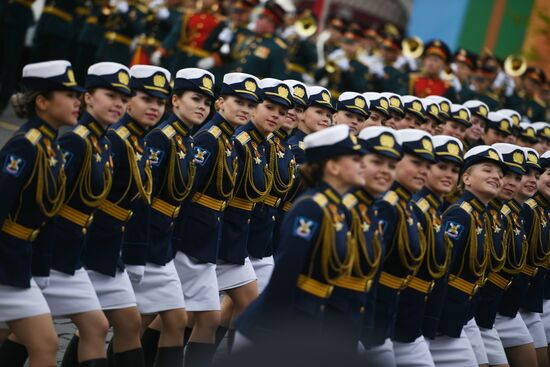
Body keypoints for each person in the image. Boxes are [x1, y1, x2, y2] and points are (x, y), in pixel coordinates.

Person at [234, 124, 367, 349]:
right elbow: (286, 274)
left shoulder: (337, 208)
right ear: (332, 166)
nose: (362, 165)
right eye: (354, 159)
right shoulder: (311, 209)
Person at [0, 60, 77, 367]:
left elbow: (47, 216)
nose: (77, 102)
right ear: (42, 102)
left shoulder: (50, 145)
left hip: (20, 261)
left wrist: (41, 268)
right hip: (5, 262)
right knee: (46, 344)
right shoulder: (25, 147)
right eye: (68, 95)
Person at [171, 71, 248, 366]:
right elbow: (186, 194)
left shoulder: (228, 140)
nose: (245, 110)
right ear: (221, 104)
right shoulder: (209, 139)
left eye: (249, 105)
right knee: (159, 317)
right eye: (238, 102)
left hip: (206, 237)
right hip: (190, 237)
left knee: (205, 318)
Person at [115, 65, 188, 367]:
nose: (154, 107)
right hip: (114, 245)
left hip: (156, 243)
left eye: (159, 101)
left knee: (172, 320)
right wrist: (135, 253)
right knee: (105, 325)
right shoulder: (126, 139)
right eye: (147, 99)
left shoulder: (149, 138)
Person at [77, 62, 146, 367]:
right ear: (87, 97)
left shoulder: (108, 140)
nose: (119, 103)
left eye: (123, 96)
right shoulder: (80, 141)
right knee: (26, 331)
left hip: (107, 247)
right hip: (75, 249)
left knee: (124, 324)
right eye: (111, 95)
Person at [384, 129, 436, 366]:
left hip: (396, 318)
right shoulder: (386, 206)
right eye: (416, 163)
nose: (423, 171)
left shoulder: (408, 207)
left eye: (427, 166)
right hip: (371, 322)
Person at [476, 143, 529, 367]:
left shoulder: (506, 214)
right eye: (507, 175)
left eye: (518, 178)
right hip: (478, 309)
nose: (511, 183)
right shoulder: (479, 214)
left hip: (501, 305)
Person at [355, 126, 402, 366]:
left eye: (392, 166)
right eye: (376, 162)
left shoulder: (374, 210)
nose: (385, 172)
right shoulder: (326, 209)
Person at [246, 78, 295, 294]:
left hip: (260, 233)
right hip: (234, 234)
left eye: (282, 112)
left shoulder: (268, 145)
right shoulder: (241, 142)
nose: (276, 115)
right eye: (269, 107)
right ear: (254, 106)